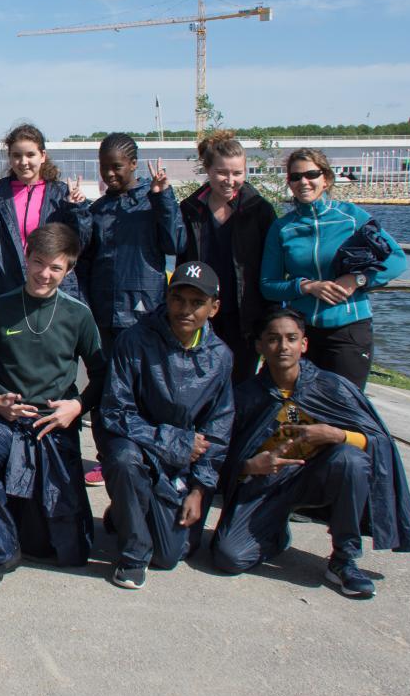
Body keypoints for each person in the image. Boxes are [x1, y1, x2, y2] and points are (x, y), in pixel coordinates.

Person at [211, 308, 410, 598]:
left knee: (350, 459)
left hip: (318, 479)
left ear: (304, 344)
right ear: (259, 346)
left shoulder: (332, 387)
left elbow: (379, 442)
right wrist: (249, 465)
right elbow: (220, 455)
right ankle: (274, 534)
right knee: (229, 557)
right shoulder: (245, 396)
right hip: (266, 485)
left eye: (291, 338)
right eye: (272, 339)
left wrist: (337, 435)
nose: (283, 347)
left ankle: (344, 559)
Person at [0, 225, 106, 583]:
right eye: (38, 262)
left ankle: (19, 529)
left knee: (64, 549)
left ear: (69, 270)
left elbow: (102, 375)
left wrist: (77, 407)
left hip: (54, 424)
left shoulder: (78, 315)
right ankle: (1, 546)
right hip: (6, 421)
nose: (44, 274)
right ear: (26, 257)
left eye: (55, 267)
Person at [99, 261, 234, 590]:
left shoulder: (220, 357)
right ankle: (133, 556)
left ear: (214, 308)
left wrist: (200, 489)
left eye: (197, 303)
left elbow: (218, 431)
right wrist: (175, 440)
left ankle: (125, 513)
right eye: (178, 299)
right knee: (124, 461)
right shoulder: (135, 340)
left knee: (170, 555)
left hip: (181, 462)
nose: (185, 310)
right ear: (166, 297)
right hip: (138, 444)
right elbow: (115, 411)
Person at [80, 132, 187, 487]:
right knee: (105, 390)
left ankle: (151, 457)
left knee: (146, 390)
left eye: (117, 167)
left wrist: (164, 198)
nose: (110, 174)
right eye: (104, 167)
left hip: (144, 314)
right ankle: (108, 458)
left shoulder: (151, 202)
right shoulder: (98, 210)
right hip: (103, 314)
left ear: (133, 164)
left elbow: (176, 242)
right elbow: (85, 261)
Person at [259, 148, 406, 389]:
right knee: (295, 404)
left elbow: (397, 260)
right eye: (295, 177)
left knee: (344, 405)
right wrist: (306, 286)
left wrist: (358, 279)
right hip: (301, 331)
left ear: (326, 178)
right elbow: (268, 286)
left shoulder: (353, 217)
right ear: (289, 183)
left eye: (311, 174)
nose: (303, 182)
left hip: (348, 330)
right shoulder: (283, 228)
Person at [178, 131, 277, 382]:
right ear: (208, 170)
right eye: (222, 172)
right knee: (199, 381)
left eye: (237, 173)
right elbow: (181, 260)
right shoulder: (190, 209)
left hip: (244, 316)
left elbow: (273, 266)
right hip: (201, 312)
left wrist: (270, 319)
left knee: (240, 383)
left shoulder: (259, 210)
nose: (230, 180)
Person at [0, 124, 89, 303]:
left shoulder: (62, 195)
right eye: (17, 155)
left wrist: (76, 209)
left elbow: (81, 243)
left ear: (43, 156)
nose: (23, 162)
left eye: (30, 154)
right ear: (10, 158)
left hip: (54, 289)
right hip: (11, 289)